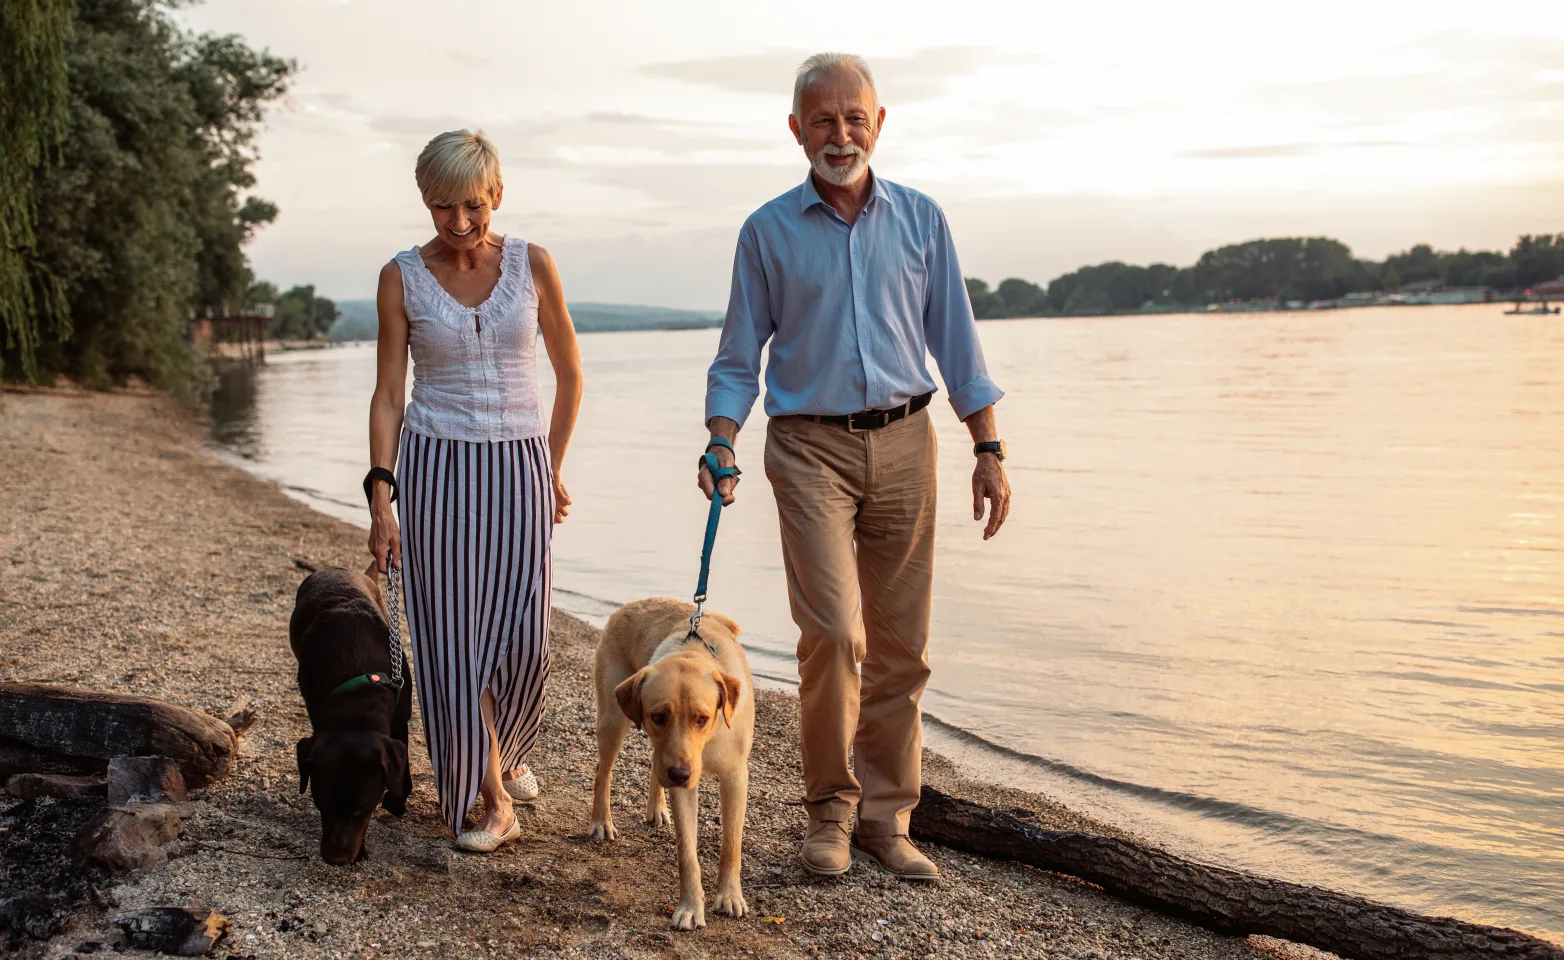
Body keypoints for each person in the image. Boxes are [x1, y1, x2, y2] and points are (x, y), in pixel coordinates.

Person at [700, 53, 1012, 880]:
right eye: (823, 120)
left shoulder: (921, 220)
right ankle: (829, 814)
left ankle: (886, 819)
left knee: (903, 647)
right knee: (836, 635)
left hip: (909, 441)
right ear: (796, 130)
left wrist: (989, 447)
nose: (841, 134)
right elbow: (738, 357)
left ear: (880, 123)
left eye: (855, 118)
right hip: (807, 448)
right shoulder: (766, 231)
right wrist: (722, 438)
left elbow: (959, 345)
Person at [367, 129, 583, 852]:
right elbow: (389, 396)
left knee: (525, 641)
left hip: (519, 465)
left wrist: (549, 466)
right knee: (453, 643)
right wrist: (380, 500)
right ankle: (491, 797)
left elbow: (571, 375)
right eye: (441, 208)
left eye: (472, 207)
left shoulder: (535, 265)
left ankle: (506, 748)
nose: (458, 224)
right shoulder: (401, 276)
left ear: (497, 195)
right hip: (435, 467)